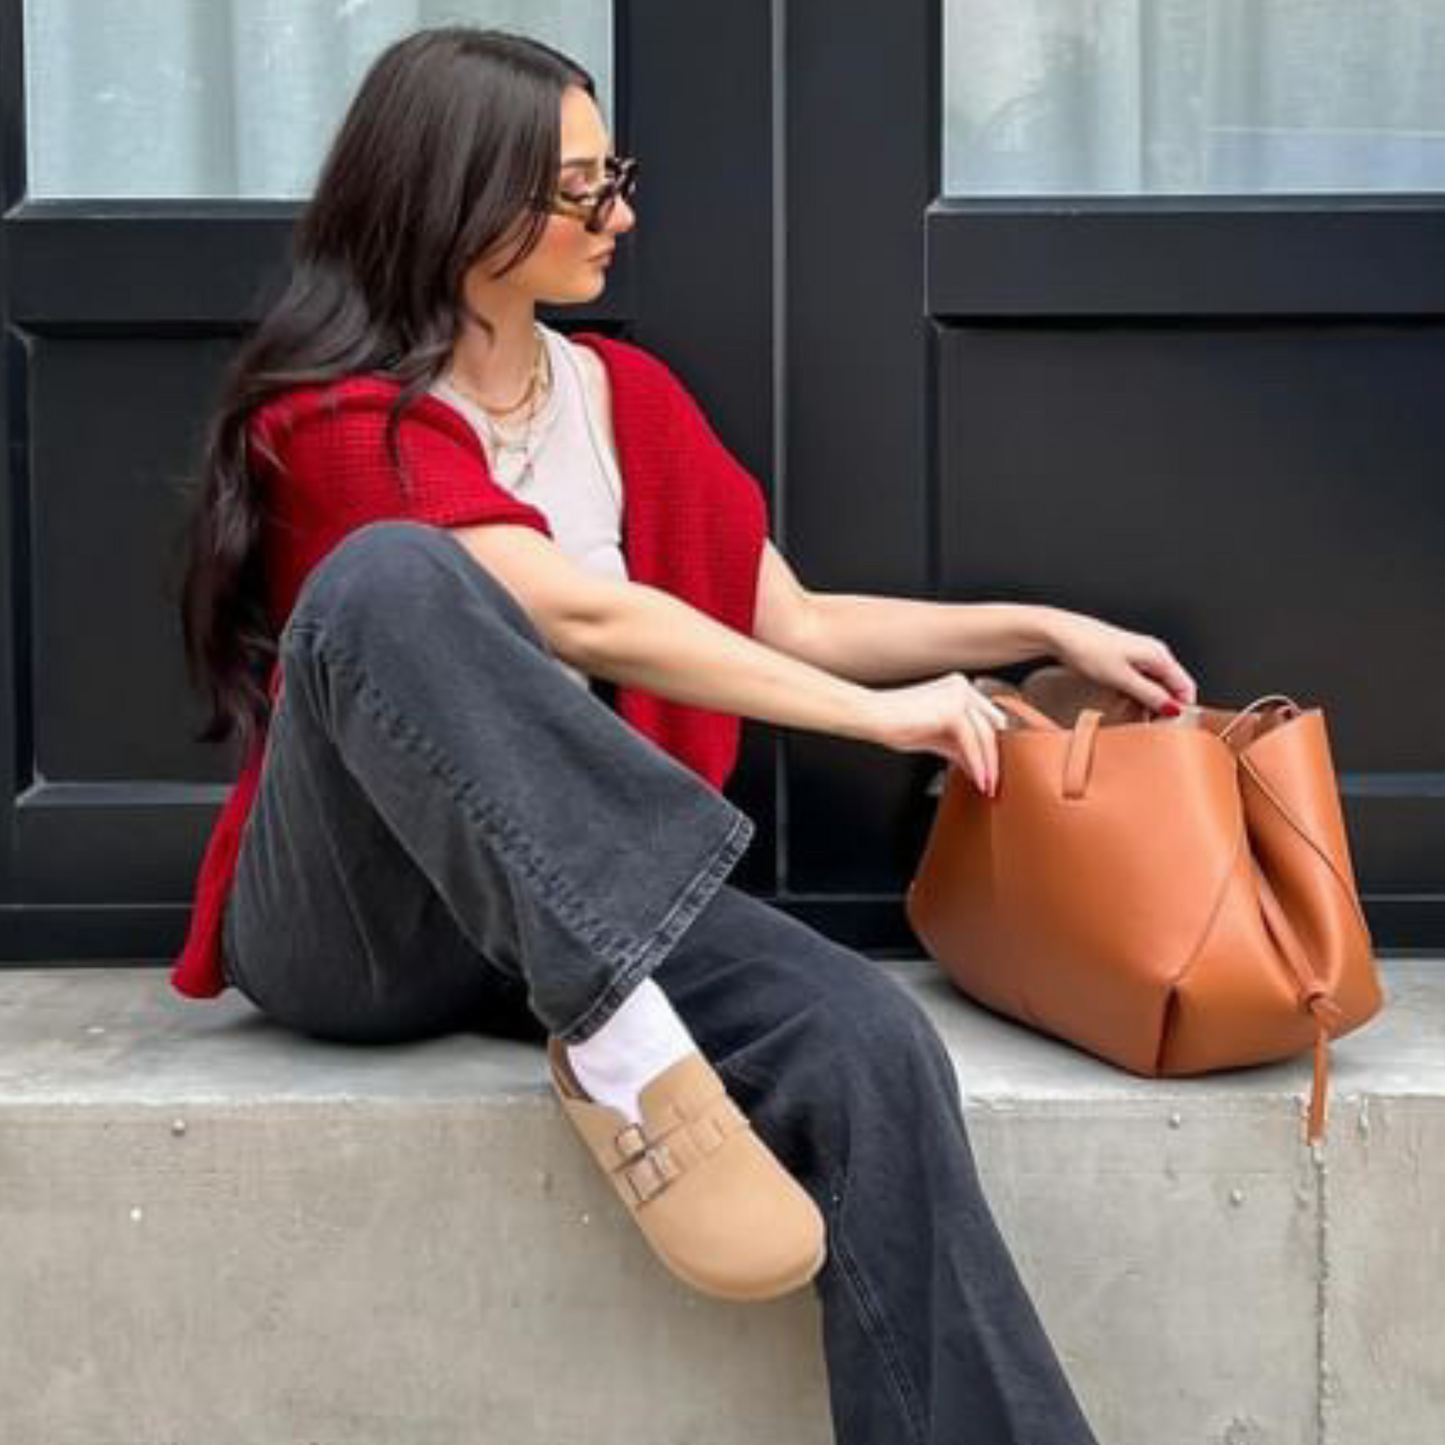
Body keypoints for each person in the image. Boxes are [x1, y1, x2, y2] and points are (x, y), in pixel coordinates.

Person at [173, 25, 1197, 1444]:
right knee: (394, 580)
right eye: (582, 191)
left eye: (618, 178)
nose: (622, 218)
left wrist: (1037, 626)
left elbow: (799, 620)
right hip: (369, 928)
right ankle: (607, 1026)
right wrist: (879, 722)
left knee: (873, 1044)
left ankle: (611, 1018)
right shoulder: (337, 423)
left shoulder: (623, 401)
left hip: (580, 894)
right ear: (459, 200)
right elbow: (581, 621)